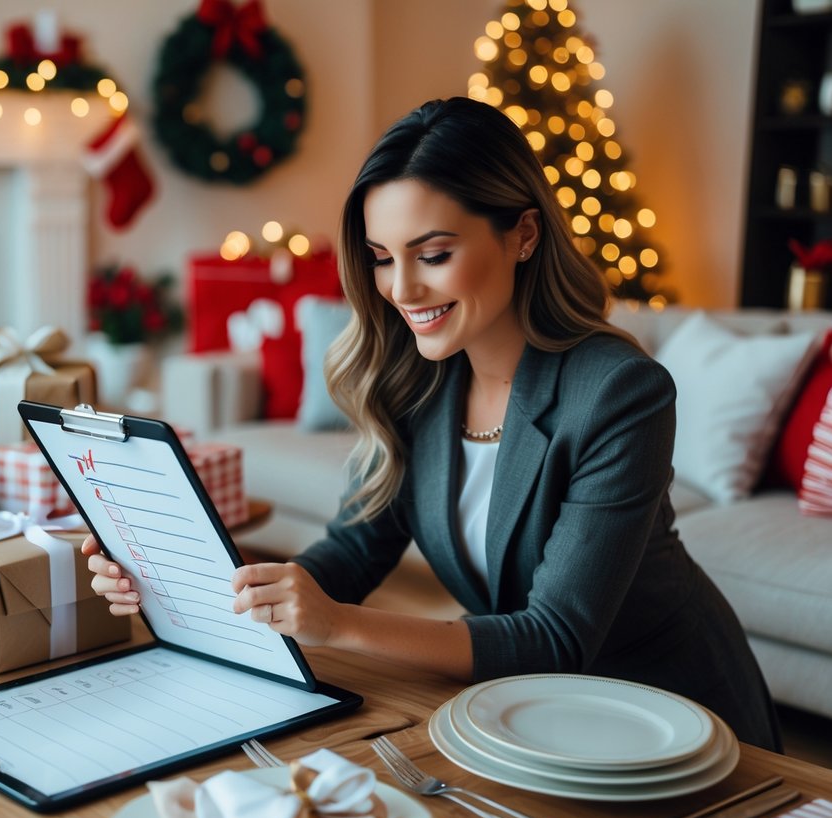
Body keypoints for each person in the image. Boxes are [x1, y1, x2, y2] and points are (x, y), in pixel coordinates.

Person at [81, 97, 782, 751]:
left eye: (434, 254)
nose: (402, 290)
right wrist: (180, 579)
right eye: (382, 259)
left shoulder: (617, 392)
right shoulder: (412, 380)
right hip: (533, 715)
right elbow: (351, 557)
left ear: (523, 234)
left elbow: (553, 637)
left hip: (668, 716)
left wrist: (340, 626)